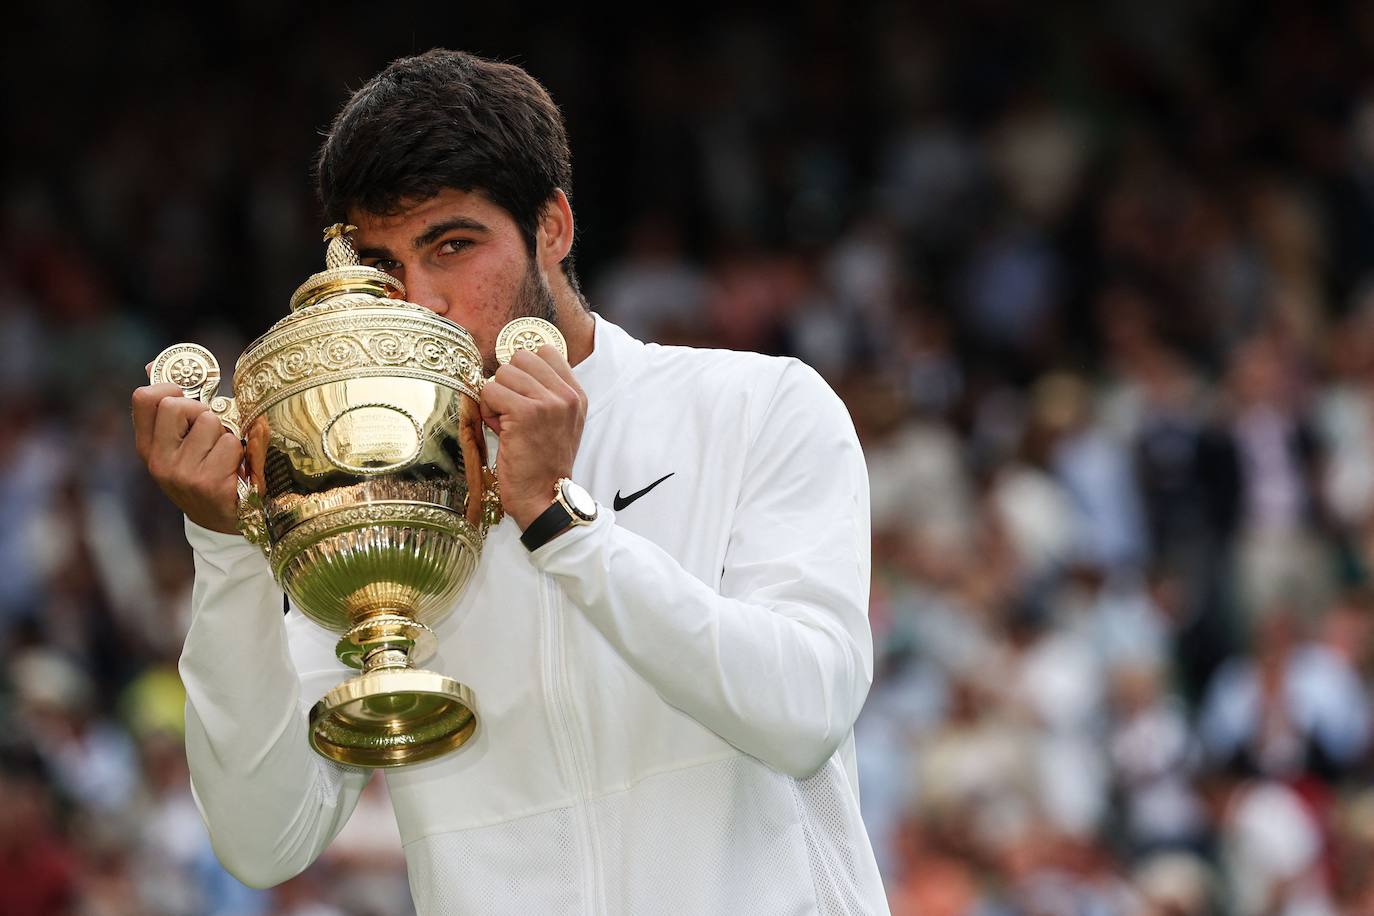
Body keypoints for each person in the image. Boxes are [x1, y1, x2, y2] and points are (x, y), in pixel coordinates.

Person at [130, 48, 887, 914]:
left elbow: (804, 711)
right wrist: (227, 551)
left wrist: (560, 526)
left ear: (553, 227)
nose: (422, 302)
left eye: (453, 246)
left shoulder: (758, 406)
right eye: (384, 268)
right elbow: (262, 841)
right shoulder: (367, 496)